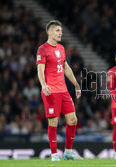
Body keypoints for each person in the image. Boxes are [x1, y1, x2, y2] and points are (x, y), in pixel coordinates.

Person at [36, 20, 83, 161]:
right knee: (53, 123)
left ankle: (68, 152)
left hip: (63, 90)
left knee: (73, 120)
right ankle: (54, 154)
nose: (60, 33)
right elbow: (40, 69)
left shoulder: (61, 48)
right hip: (51, 90)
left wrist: (76, 84)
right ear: (49, 32)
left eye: (61, 31)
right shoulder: (42, 49)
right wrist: (44, 85)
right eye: (57, 30)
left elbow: (66, 68)